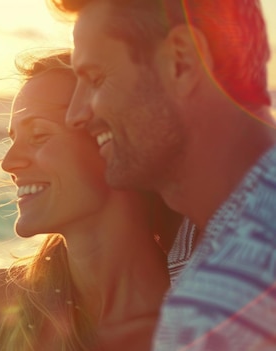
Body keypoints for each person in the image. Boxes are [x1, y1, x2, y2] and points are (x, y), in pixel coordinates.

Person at [49, 0, 276, 349]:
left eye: (95, 78)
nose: (75, 115)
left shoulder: (218, 309)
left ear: (181, 62)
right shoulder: (197, 248)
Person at [0, 52, 182, 351]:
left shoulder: (214, 323)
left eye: (39, 135)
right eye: (12, 140)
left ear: (115, 146)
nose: (9, 163)